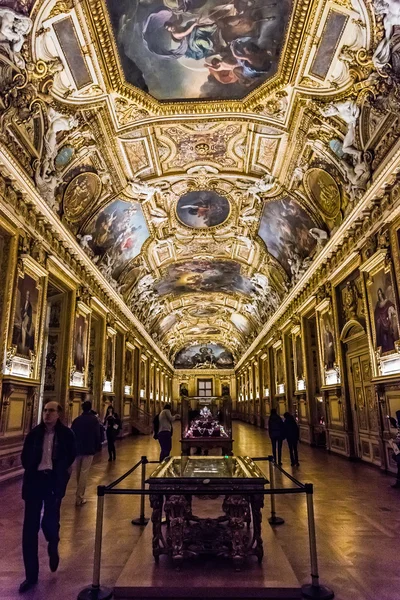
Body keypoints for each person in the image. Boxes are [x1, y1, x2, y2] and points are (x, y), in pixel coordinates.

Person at [19, 401, 76, 593]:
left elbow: (71, 457)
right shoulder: (34, 434)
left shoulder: (67, 435)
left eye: (51, 411)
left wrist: (62, 476)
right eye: (45, 410)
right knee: (29, 530)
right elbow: (25, 457)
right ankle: (31, 576)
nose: (47, 414)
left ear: (59, 414)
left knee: (49, 522)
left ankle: (53, 543)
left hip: (53, 482)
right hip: (35, 483)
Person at [71, 401, 101, 506]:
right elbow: (98, 434)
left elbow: (72, 434)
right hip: (89, 449)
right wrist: (98, 446)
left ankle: (79, 494)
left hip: (78, 449)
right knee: (84, 472)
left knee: (78, 472)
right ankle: (79, 496)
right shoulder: (94, 420)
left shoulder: (77, 420)